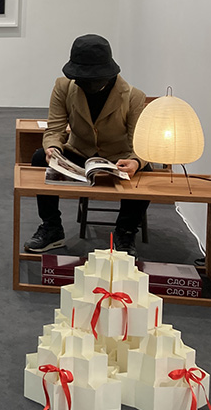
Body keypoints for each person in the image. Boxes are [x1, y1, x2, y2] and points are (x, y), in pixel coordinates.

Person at [25, 34, 150, 256]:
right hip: (79, 152)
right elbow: (54, 130)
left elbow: (140, 144)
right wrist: (53, 149)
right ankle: (52, 228)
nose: (86, 83)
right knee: (39, 158)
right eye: (80, 78)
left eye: (92, 79)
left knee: (145, 172)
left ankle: (126, 231)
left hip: (117, 159)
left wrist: (135, 162)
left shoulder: (133, 96)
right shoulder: (63, 87)